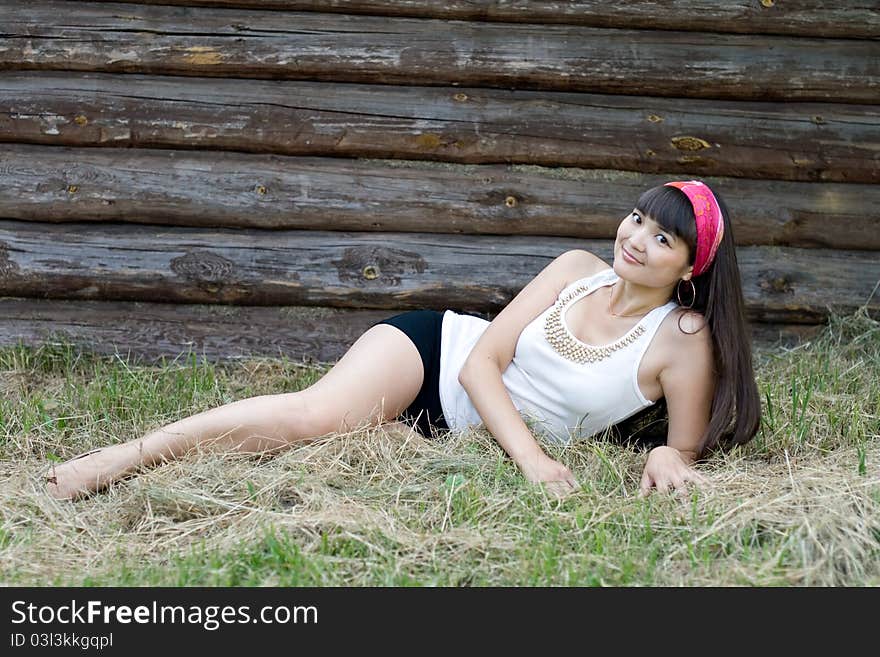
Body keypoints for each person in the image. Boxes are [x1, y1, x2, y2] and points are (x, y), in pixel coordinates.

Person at [45, 180, 761, 501]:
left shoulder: (681, 337)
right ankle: (120, 460)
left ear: (689, 265)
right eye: (637, 218)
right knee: (311, 418)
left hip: (453, 429)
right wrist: (535, 462)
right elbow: (484, 361)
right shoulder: (577, 270)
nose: (635, 239)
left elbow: (682, 444)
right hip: (435, 356)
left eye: (662, 236)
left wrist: (670, 457)